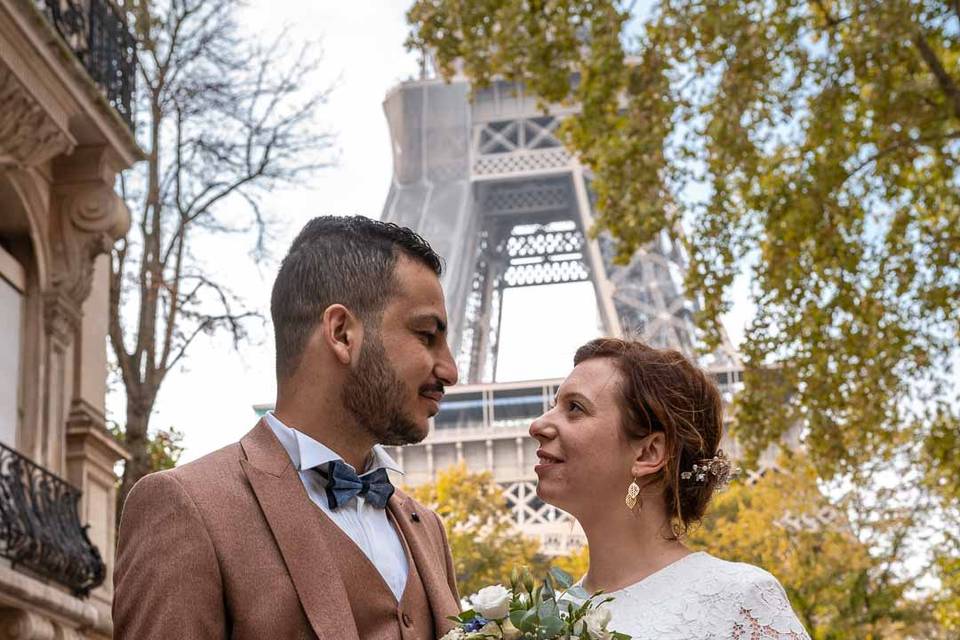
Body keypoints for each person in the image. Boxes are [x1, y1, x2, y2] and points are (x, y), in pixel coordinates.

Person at [114, 216, 461, 639]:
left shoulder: (427, 528)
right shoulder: (187, 507)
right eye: (427, 335)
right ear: (341, 333)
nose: (451, 370)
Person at [530, 338, 810, 639]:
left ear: (647, 453)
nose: (537, 425)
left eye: (575, 407)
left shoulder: (740, 600)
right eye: (552, 406)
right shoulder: (547, 619)